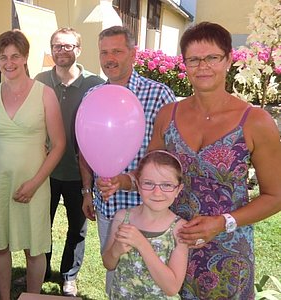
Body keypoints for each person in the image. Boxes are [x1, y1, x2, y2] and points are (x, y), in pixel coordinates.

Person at [100, 22, 281, 299]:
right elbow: (149, 174)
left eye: (212, 57)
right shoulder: (168, 115)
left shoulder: (256, 121)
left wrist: (223, 222)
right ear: (185, 64)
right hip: (167, 244)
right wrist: (120, 181)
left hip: (227, 250)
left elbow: (275, 196)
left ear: (229, 59)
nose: (203, 66)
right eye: (194, 59)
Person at [0, 29, 65, 300]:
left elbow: (58, 145)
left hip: (34, 183)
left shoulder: (45, 94)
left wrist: (34, 183)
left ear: (25, 58)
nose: (8, 62)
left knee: (35, 249)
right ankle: (4, 296)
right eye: (2, 57)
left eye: (15, 56)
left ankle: (33, 296)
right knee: (0, 246)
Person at [79, 25, 176, 292]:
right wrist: (87, 191)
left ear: (133, 54)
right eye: (104, 52)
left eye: (117, 51)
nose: (110, 58)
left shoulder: (158, 95)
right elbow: (85, 149)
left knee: (148, 278)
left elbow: (167, 156)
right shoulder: (92, 96)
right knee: (114, 275)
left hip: (149, 209)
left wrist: (128, 181)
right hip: (108, 207)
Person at [33, 27, 104, 296]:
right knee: (42, 225)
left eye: (67, 46)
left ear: (79, 49)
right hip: (45, 169)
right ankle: (40, 270)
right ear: (51, 50)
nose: (61, 50)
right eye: (57, 46)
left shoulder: (95, 84)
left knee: (78, 227)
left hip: (79, 172)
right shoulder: (39, 81)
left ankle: (69, 276)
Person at [102, 150, 188, 299]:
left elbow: (172, 288)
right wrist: (115, 250)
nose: (157, 192)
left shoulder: (179, 229)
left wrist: (142, 244)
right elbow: (108, 264)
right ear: (138, 185)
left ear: (178, 190)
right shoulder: (123, 217)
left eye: (167, 185)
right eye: (148, 183)